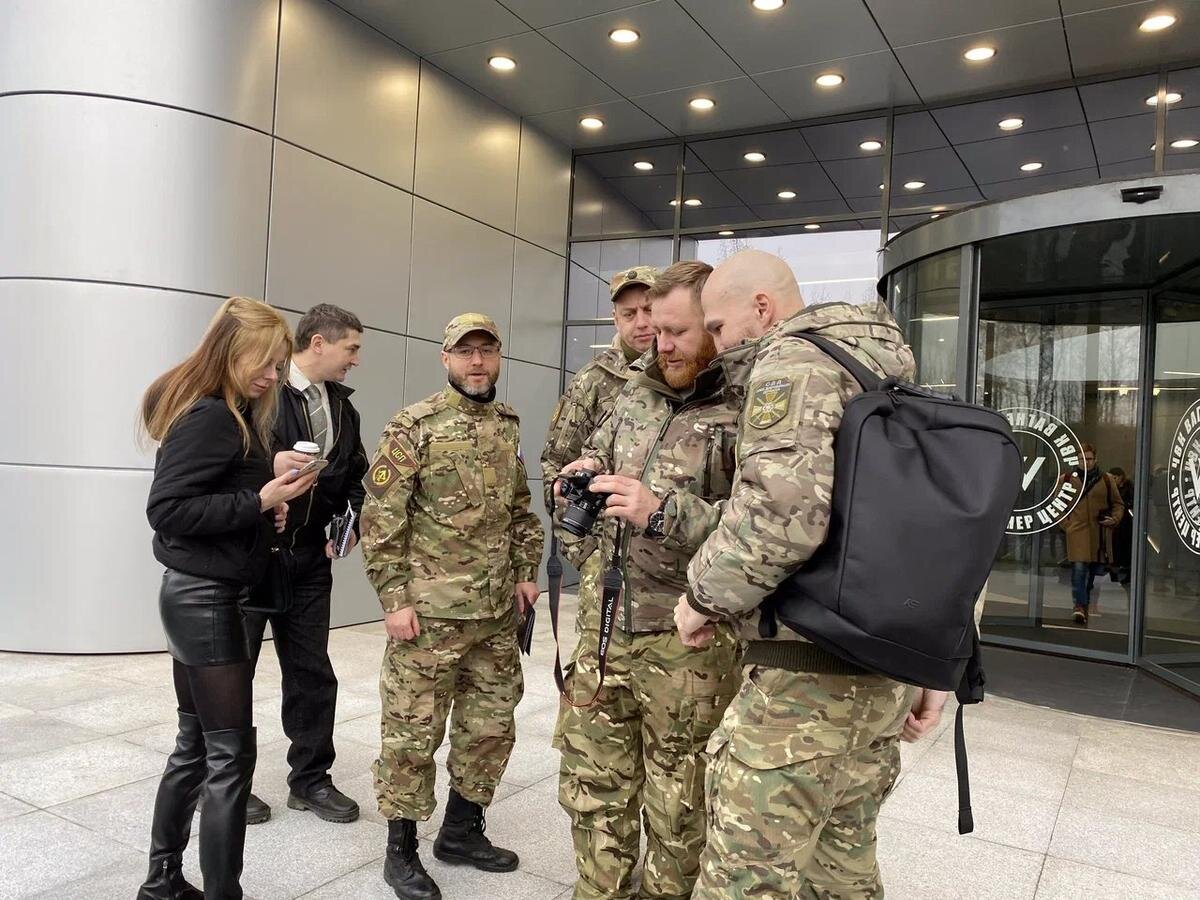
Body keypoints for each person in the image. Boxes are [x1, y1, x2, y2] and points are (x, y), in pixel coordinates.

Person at [672, 250, 946, 899]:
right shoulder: (889, 378)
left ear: (762, 308)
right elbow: (939, 532)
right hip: (879, 677)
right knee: (841, 874)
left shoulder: (794, 363)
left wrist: (701, 597)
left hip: (801, 691)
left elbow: (781, 514)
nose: (716, 343)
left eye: (717, 325)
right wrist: (937, 665)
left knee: (744, 882)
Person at [553, 261, 747, 899]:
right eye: (653, 329)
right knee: (594, 782)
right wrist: (587, 466)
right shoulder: (635, 387)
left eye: (678, 331)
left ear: (714, 323)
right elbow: (604, 453)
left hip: (688, 639)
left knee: (680, 798)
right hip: (604, 627)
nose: (660, 344)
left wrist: (661, 509)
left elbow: (766, 528)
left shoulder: (749, 403)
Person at [137, 297, 318, 900]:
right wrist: (260, 500)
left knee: (196, 744)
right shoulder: (212, 415)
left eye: (279, 364)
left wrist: (267, 480)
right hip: (207, 602)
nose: (273, 376)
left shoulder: (225, 414)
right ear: (230, 353)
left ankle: (162, 881)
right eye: (264, 364)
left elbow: (215, 490)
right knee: (228, 757)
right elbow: (167, 510)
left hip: (196, 596)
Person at [360, 313, 545, 900]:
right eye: (465, 352)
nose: (477, 363)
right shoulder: (415, 425)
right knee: (412, 732)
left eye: (486, 352)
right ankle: (401, 849)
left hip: (495, 615)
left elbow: (520, 509)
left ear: (497, 358)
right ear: (445, 358)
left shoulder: (507, 424)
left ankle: (462, 832)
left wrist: (525, 573)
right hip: (429, 615)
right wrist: (393, 599)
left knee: (489, 727)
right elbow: (381, 520)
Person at [242, 304, 369, 825]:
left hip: (311, 561)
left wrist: (351, 522)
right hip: (252, 558)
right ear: (318, 343)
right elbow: (236, 465)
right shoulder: (260, 396)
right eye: (352, 349)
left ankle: (311, 779)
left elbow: (355, 477)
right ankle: (224, 777)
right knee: (234, 673)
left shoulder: (342, 407)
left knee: (312, 672)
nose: (355, 361)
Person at [541, 265, 659, 634]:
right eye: (629, 314)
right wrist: (586, 556)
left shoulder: (689, 373)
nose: (641, 322)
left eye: (649, 310)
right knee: (594, 677)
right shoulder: (593, 381)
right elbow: (555, 470)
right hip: (605, 563)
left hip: (668, 564)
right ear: (615, 318)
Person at [1058, 444, 1125, 625]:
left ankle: (1085, 603)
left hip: (1099, 533)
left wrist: (1115, 519)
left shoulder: (1105, 480)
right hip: (1077, 532)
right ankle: (1080, 606)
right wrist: (1067, 525)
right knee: (1079, 569)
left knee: (1094, 573)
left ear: (1095, 460)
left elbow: (1118, 504)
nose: (1085, 463)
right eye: (1081, 459)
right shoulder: (1066, 479)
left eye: (1088, 459)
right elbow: (1056, 505)